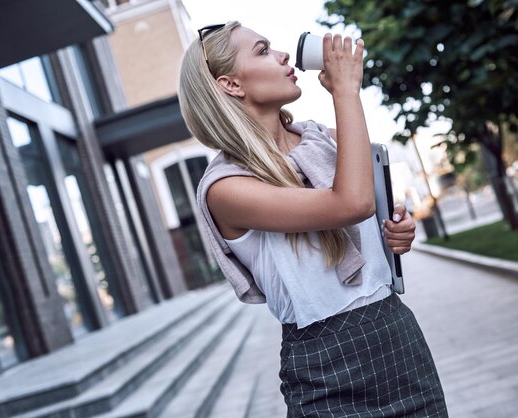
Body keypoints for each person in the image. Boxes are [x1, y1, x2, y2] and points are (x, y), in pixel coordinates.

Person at [179, 21, 447, 417]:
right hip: (327, 367)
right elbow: (351, 203)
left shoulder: (325, 139)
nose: (284, 55)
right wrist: (344, 90)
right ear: (231, 84)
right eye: (263, 50)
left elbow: (368, 208)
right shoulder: (226, 188)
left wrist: (395, 231)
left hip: (397, 336)